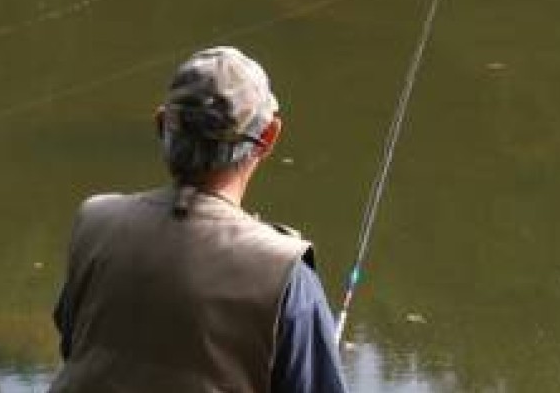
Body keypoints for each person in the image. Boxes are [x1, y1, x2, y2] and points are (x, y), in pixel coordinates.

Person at [50, 46, 347, 393]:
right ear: (267, 138)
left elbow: (74, 342)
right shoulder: (285, 275)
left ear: (162, 124)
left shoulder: (94, 223)